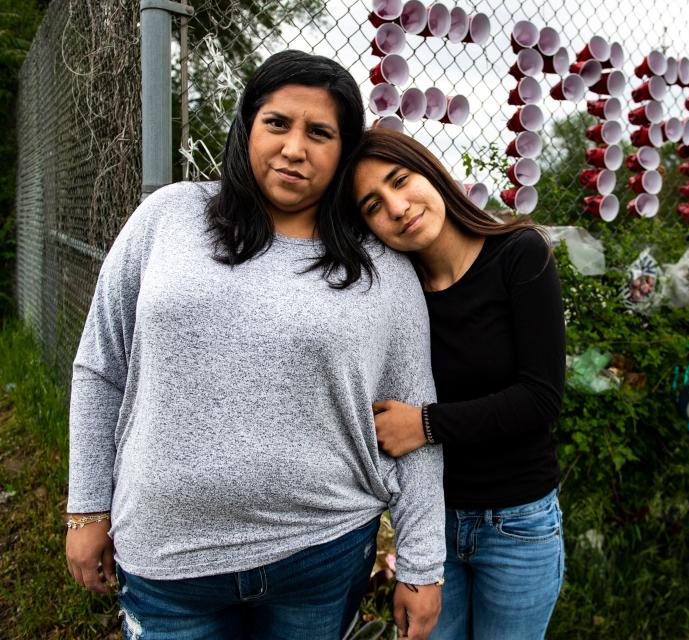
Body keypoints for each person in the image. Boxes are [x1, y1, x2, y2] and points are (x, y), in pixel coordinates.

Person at [65, 51, 445, 640]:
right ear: (247, 127)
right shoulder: (167, 219)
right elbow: (99, 368)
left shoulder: (381, 270)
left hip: (322, 555)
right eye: (277, 123)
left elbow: (413, 421)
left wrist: (422, 566)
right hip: (168, 559)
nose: (295, 148)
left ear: (343, 152)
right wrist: (87, 507)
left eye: (320, 133)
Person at [340, 129, 566, 640]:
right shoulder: (393, 291)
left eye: (401, 180)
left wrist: (424, 424)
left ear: (431, 172)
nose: (397, 208)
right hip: (432, 526)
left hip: (518, 521)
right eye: (373, 206)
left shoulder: (519, 254)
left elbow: (540, 397)